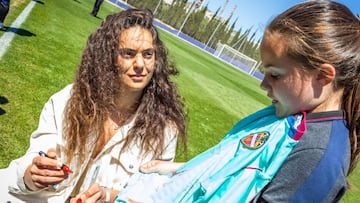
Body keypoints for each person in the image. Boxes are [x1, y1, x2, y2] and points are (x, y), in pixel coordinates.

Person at [108, 1, 360, 202]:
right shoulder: (294, 117)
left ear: (323, 76)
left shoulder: (318, 155)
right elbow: (235, 168)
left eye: (275, 74)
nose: (263, 84)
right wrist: (177, 169)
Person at [0, 8, 186, 202]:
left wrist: (108, 197)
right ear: (108, 57)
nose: (140, 64)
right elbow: (29, 166)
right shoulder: (69, 99)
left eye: (148, 54)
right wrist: (33, 176)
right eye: (128, 54)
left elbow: (151, 195)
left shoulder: (164, 130)